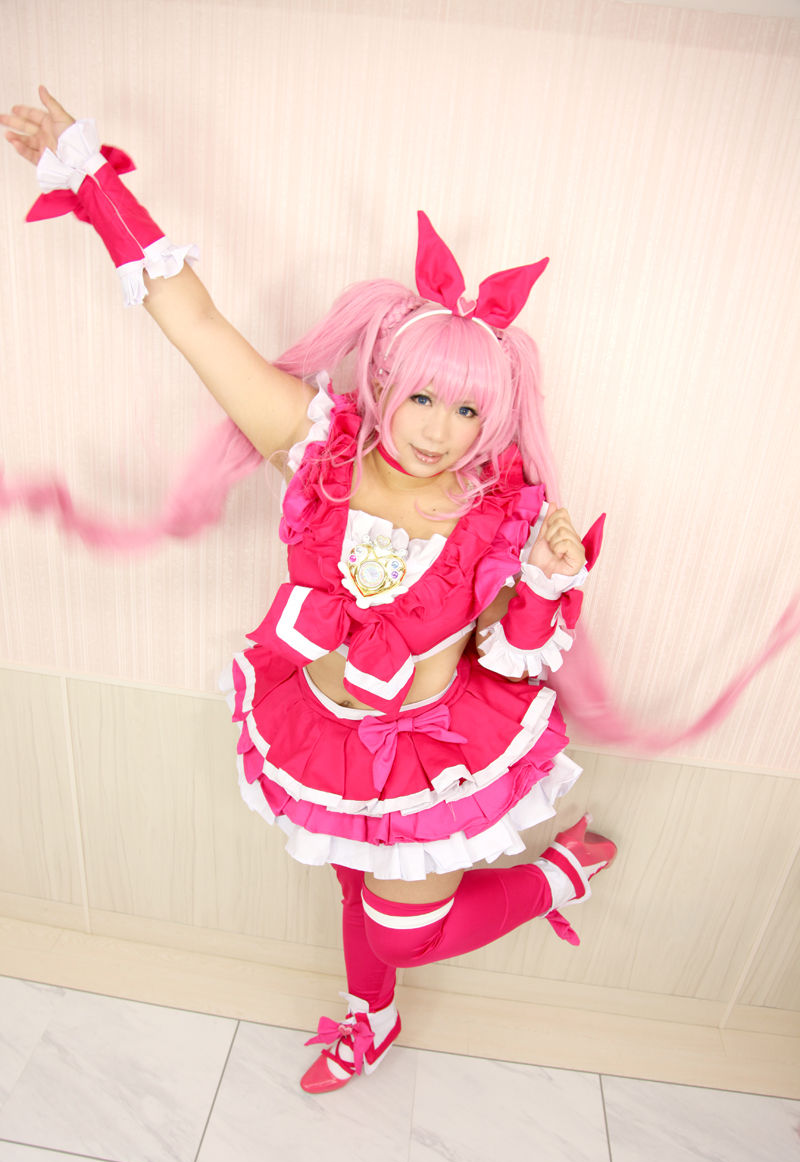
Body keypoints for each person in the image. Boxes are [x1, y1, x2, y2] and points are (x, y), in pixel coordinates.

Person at [1, 88, 794, 1095]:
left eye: (467, 411)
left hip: (428, 757)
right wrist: (91, 180)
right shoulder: (314, 446)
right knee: (352, 884)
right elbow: (195, 323)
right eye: (422, 395)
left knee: (404, 932)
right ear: (382, 380)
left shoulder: (501, 509)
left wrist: (548, 580)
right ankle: (370, 1020)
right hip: (322, 728)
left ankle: (561, 873)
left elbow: (512, 659)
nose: (438, 429)